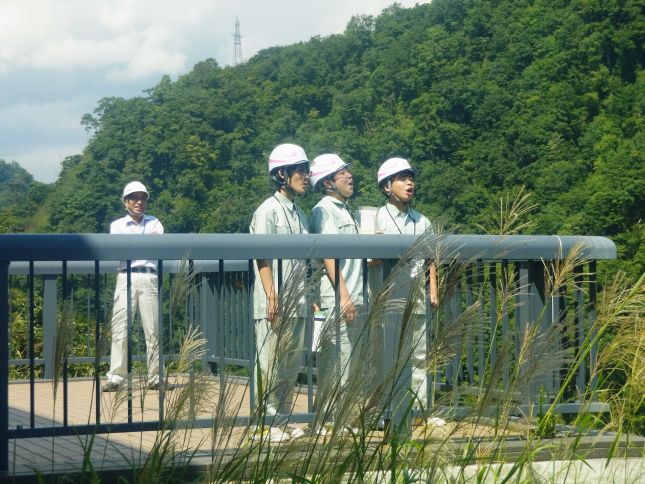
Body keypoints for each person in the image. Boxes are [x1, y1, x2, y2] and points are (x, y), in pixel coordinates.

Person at [249, 143, 310, 442]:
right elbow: (261, 256)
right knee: (270, 362)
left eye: (307, 170)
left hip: (297, 300)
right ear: (281, 174)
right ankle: (265, 423)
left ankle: (282, 420)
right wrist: (272, 295)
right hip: (273, 301)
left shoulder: (300, 213)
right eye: (300, 170)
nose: (306, 176)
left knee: (290, 363)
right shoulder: (267, 210)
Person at [310, 153, 370, 431]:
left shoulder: (345, 210)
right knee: (336, 359)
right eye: (341, 173)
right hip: (338, 298)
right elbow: (328, 256)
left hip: (355, 295)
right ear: (327, 183)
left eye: (348, 171)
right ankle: (329, 419)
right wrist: (343, 295)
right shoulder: (324, 210)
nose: (349, 176)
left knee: (351, 360)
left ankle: (343, 418)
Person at [375, 157, 439, 411]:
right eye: (402, 178)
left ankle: (420, 409)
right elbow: (368, 260)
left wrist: (433, 288)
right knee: (387, 354)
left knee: (420, 354)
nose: (409, 182)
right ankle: (389, 408)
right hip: (388, 297)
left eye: (411, 178)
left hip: (417, 293)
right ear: (386, 187)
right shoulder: (377, 217)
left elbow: (431, 257)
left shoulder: (422, 221)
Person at [102, 181, 170, 392]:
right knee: (120, 328)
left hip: (148, 277)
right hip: (126, 277)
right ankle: (116, 377)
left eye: (142, 198)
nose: (139, 202)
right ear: (126, 202)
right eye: (134, 198)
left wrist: (132, 246)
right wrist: (144, 245)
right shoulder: (117, 225)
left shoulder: (155, 222)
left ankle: (156, 377)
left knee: (153, 330)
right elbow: (119, 252)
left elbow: (157, 248)